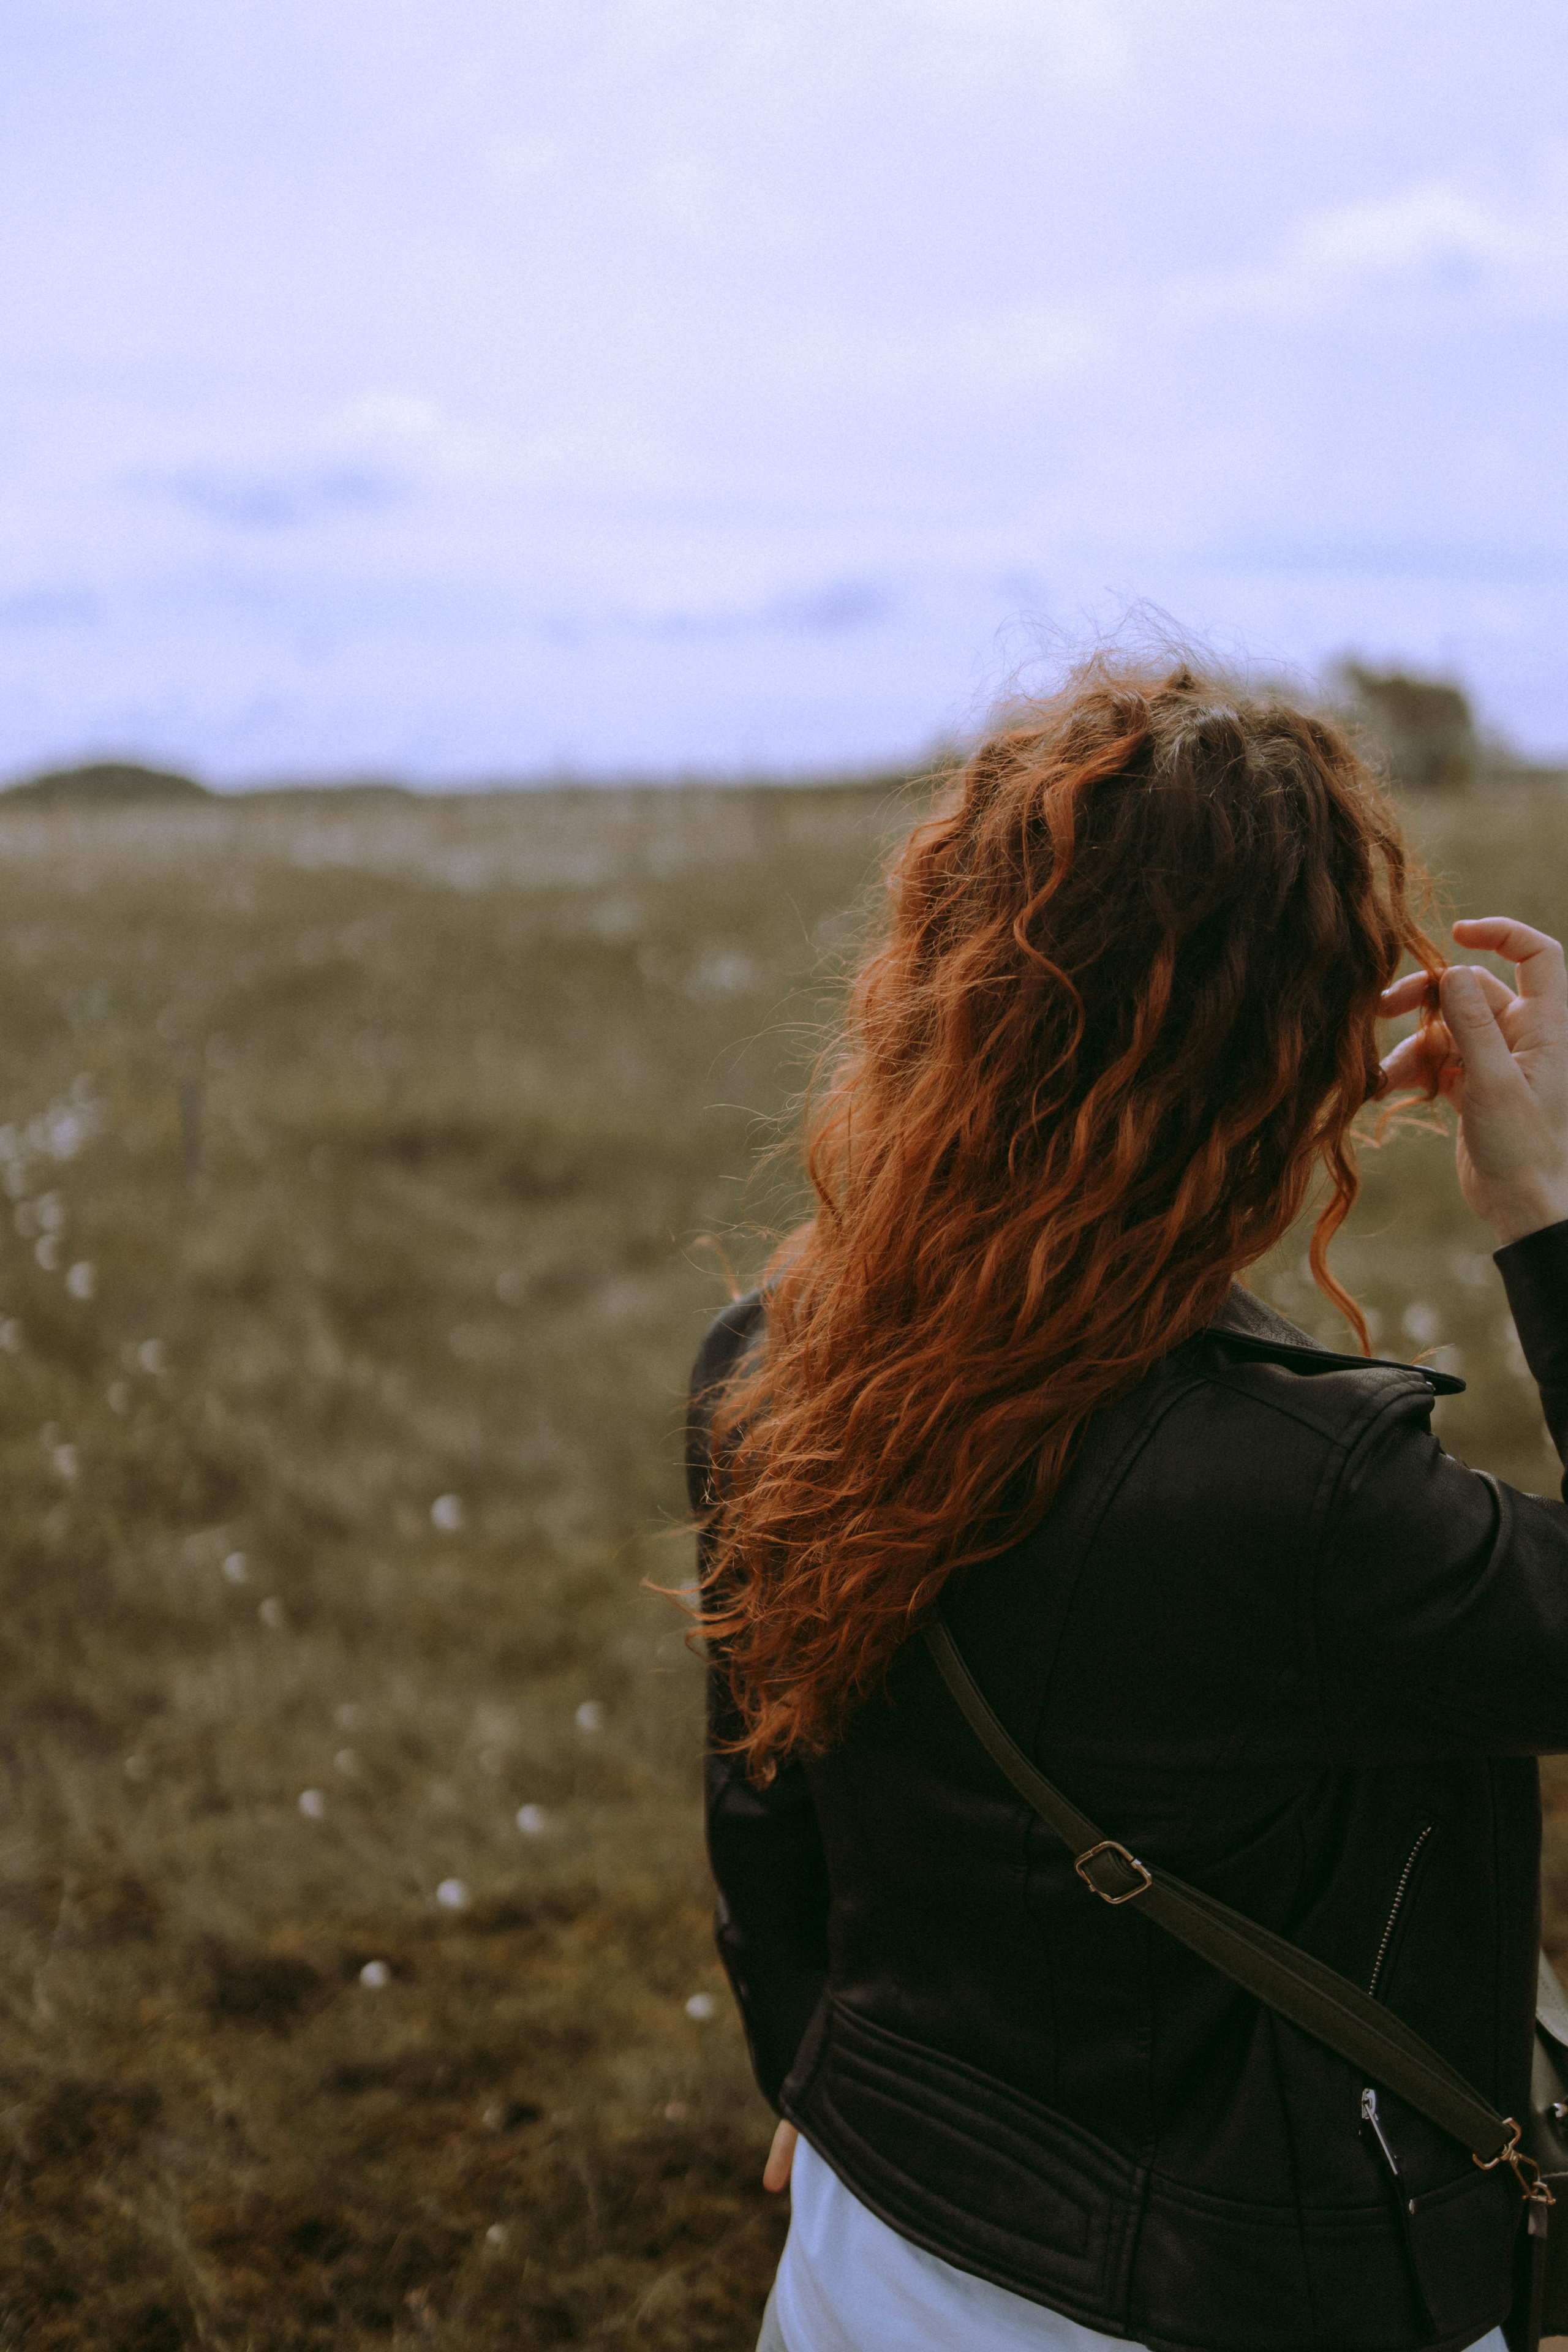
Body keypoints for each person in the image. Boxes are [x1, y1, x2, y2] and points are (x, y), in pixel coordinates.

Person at [685, 662, 1568, 2352]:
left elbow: (764, 1792)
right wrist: (1546, 1213)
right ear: (1304, 1060)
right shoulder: (1313, 1499)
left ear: (948, 999)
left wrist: (807, 2068)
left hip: (875, 2253)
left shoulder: (771, 1366)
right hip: (1256, 2296)